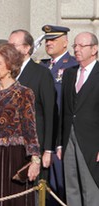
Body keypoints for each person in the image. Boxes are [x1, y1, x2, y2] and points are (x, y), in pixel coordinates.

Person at [0, 43, 41, 205]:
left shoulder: (24, 93)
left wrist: (35, 160)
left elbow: (29, 128)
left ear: (10, 65)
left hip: (15, 155)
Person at [38, 25, 78, 205]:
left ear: (65, 42)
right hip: (44, 133)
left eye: (53, 39)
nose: (49, 43)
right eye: (47, 40)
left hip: (62, 135)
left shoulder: (72, 65)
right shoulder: (42, 66)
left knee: (61, 186)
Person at [8, 29, 56, 178]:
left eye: (14, 45)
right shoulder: (6, 73)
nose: (9, 50)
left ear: (27, 48)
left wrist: (48, 149)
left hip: (34, 146)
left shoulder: (41, 73)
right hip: (10, 145)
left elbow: (50, 113)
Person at [59, 31, 99, 205]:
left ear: (94, 49)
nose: (77, 49)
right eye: (75, 45)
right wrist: (60, 142)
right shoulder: (69, 74)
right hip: (69, 138)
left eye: (82, 46)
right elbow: (64, 110)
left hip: (91, 141)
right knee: (71, 186)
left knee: (90, 188)